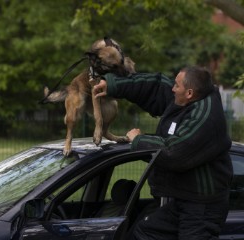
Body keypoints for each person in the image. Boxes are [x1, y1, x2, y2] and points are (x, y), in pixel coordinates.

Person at [94, 66, 233, 239]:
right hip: (183, 200)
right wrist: (113, 85)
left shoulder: (204, 116)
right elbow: (155, 87)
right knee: (143, 233)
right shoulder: (189, 97)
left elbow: (173, 152)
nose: (172, 89)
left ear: (189, 93)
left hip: (202, 207)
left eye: (176, 86)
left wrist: (138, 140)